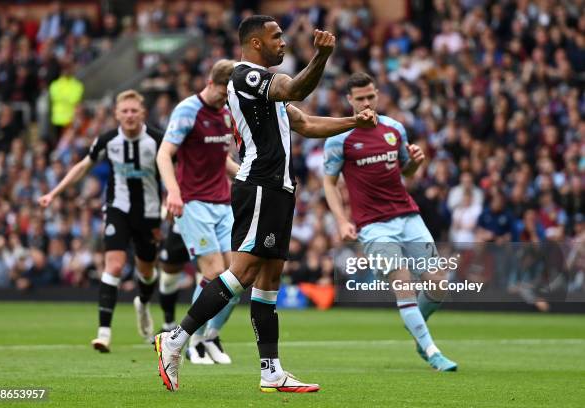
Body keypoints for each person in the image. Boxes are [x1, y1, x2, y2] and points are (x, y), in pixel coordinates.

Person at [154, 15, 376, 393]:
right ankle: (175, 339)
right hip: (260, 184)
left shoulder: (267, 93)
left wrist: (354, 121)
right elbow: (296, 90)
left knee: (269, 279)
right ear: (256, 43)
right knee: (241, 272)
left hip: (279, 188)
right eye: (276, 37)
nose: (283, 42)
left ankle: (271, 371)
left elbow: (305, 123)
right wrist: (321, 57)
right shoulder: (246, 76)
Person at [323, 72, 458, 371]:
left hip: (408, 216)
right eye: (360, 99)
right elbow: (329, 183)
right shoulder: (339, 139)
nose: (367, 102)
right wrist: (342, 221)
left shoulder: (394, 128)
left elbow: (405, 172)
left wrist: (416, 163)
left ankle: (416, 329)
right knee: (404, 285)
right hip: (373, 225)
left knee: (438, 284)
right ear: (350, 100)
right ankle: (432, 351)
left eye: (371, 96)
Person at [38, 90, 162, 352]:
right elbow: (83, 166)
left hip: (149, 213)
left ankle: (143, 304)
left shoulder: (157, 140)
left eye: (133, 111)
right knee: (114, 266)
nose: (129, 115)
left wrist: (175, 196)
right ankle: (103, 333)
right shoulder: (108, 140)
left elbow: (178, 167)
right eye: (124, 111)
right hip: (117, 208)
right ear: (116, 114)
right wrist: (54, 192)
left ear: (143, 113)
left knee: (147, 272)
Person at [155, 59, 241, 364]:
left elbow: (224, 162)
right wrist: (173, 192)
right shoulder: (188, 110)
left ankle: (210, 335)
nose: (228, 98)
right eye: (226, 92)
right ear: (212, 83)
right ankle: (189, 342)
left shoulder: (228, 113)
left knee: (239, 276)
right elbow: (165, 154)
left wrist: (246, 176)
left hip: (222, 203)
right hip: (193, 203)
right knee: (213, 272)